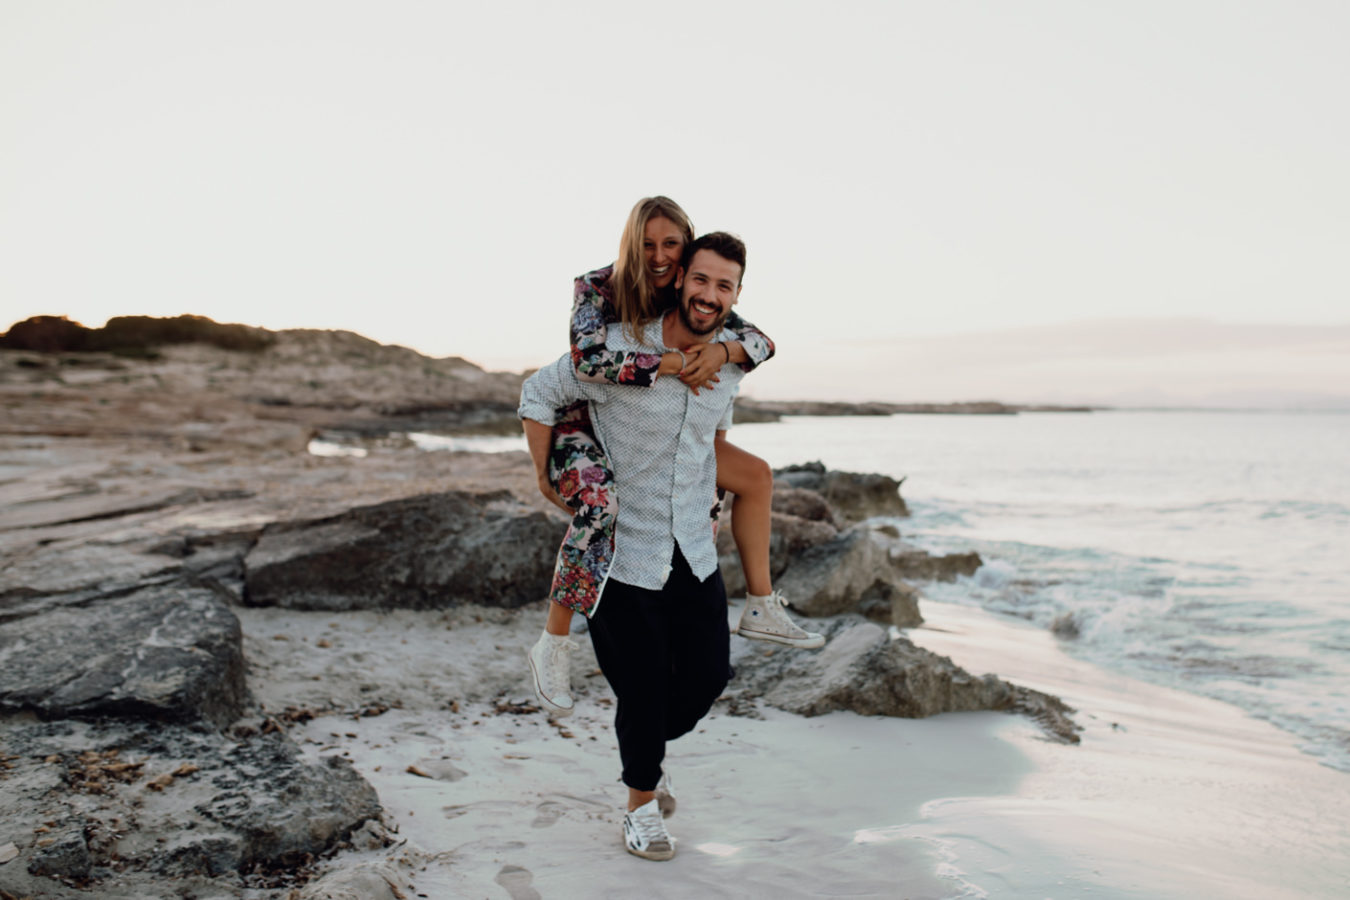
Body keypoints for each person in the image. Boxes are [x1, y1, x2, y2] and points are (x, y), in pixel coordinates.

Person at [526, 197, 821, 721]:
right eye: (647, 246)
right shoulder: (599, 288)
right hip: (581, 420)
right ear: (630, 247)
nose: (659, 257)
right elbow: (586, 361)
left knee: (753, 476)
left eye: (670, 245)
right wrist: (673, 362)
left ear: (686, 252)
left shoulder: (698, 290)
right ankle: (554, 642)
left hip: (657, 420)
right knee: (601, 506)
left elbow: (759, 342)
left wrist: (724, 353)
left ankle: (760, 602)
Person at [519, 231, 755, 860]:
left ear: (735, 295)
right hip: (623, 556)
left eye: (723, 285)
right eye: (699, 279)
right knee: (645, 688)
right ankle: (640, 806)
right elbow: (538, 392)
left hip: (694, 549)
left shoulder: (732, 360)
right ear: (679, 279)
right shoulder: (614, 353)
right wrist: (547, 477)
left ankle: (644, 754)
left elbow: (717, 433)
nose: (708, 294)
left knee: (707, 678)